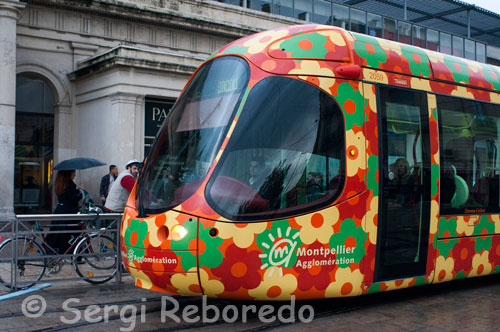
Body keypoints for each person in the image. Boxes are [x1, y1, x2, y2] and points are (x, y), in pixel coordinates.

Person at [45, 170, 83, 254]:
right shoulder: (70, 184)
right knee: (72, 233)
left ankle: (53, 250)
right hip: (69, 211)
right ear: (69, 174)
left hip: (60, 210)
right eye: (73, 173)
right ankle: (74, 252)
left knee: (57, 232)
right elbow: (73, 199)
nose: (75, 175)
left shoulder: (59, 183)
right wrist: (80, 192)